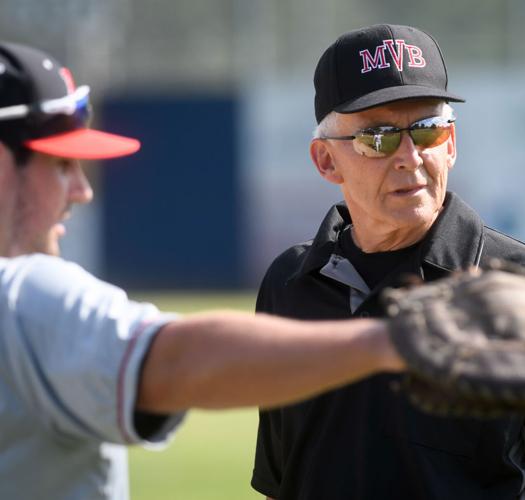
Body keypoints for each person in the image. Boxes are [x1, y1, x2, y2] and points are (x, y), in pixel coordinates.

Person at [0, 41, 407, 500]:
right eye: (60, 164)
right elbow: (175, 361)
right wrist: (394, 340)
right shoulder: (20, 298)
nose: (80, 190)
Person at [252, 24, 525, 500]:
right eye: (378, 137)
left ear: (451, 144)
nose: (410, 156)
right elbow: (281, 480)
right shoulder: (288, 285)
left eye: (428, 130)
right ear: (326, 160)